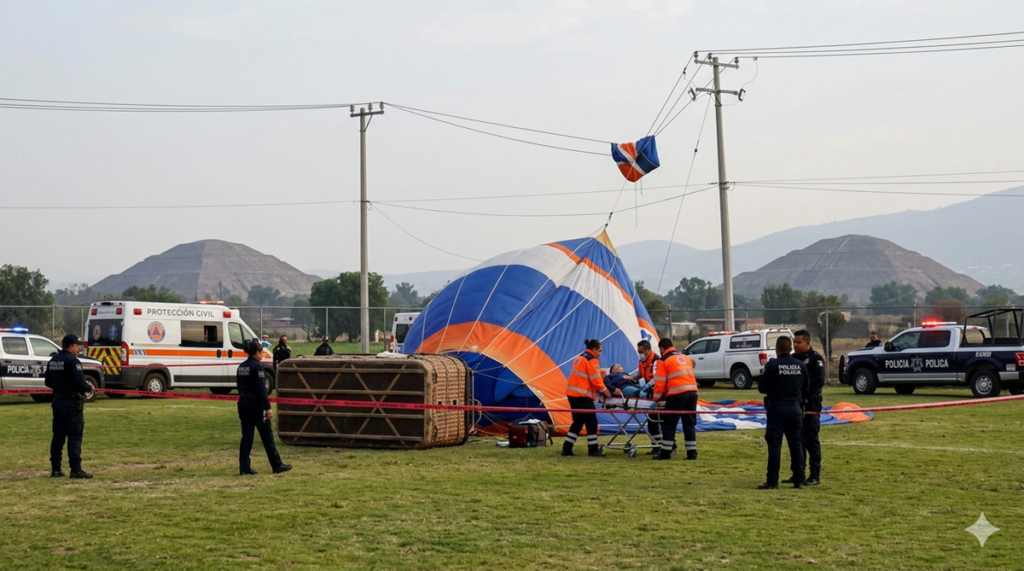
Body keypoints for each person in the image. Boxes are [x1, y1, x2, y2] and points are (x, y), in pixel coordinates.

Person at [757, 336, 809, 490]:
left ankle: (772, 481)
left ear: (777, 349)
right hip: (795, 409)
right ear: (791, 348)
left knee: (774, 445)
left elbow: (762, 388)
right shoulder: (800, 365)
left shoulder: (772, 365)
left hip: (777, 409)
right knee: (797, 445)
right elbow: (806, 388)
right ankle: (799, 480)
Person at [237, 339, 292, 476]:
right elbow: (261, 390)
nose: (262, 355)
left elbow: (239, 387)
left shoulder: (241, 367)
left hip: (243, 403)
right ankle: (276, 465)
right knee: (267, 436)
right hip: (256, 406)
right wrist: (267, 408)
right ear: (257, 353)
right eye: (261, 353)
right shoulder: (258, 368)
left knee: (246, 437)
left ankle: (244, 467)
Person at [45, 334, 94, 479]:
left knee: (58, 437)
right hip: (72, 404)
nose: (78, 348)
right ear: (71, 346)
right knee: (74, 436)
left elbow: (48, 382)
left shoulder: (53, 360)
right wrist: (89, 388)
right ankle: (76, 470)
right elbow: (79, 383)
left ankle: (56, 469)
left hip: (58, 402)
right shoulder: (73, 361)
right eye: (76, 345)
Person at [561, 339, 612, 457]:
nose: (600, 354)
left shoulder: (579, 358)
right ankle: (593, 450)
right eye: (599, 351)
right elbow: (596, 380)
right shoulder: (592, 360)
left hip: (572, 395)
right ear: (593, 350)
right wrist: (607, 392)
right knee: (591, 423)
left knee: (578, 422)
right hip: (583, 396)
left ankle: (567, 448)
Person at [651, 338, 698, 461]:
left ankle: (665, 453)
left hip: (677, 394)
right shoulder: (685, 357)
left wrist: (655, 398)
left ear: (662, 349)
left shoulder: (663, 360)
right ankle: (692, 453)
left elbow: (660, 382)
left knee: (669, 424)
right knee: (689, 424)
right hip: (692, 393)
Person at [789, 329, 825, 486]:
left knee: (811, 440)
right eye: (794, 342)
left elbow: (818, 382)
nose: (795, 345)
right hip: (795, 406)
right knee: (797, 441)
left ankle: (814, 475)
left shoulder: (816, 359)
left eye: (799, 342)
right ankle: (798, 472)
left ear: (808, 343)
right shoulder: (792, 359)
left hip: (810, 405)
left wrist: (801, 390)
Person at [636, 339, 663, 452]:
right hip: (650, 394)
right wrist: (631, 378)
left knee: (662, 421)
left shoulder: (657, 361)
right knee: (652, 422)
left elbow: (657, 378)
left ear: (647, 351)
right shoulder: (642, 361)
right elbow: (640, 374)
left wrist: (647, 386)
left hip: (659, 394)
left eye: (641, 351)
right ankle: (656, 446)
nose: (640, 354)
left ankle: (669, 446)